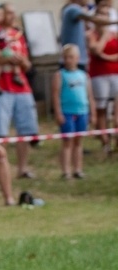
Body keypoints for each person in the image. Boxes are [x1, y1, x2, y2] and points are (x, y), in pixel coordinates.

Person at [0, 2, 39, 180]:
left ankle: (22, 168)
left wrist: (20, 61)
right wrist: (5, 57)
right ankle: (0, 170)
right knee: (0, 132)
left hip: (21, 88)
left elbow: (28, 65)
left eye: (14, 13)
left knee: (25, 130)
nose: (12, 16)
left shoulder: (18, 34)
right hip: (1, 88)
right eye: (8, 13)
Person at [52, 44, 95, 180]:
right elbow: (55, 94)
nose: (68, 60)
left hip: (82, 111)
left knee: (78, 141)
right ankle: (66, 171)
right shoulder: (60, 75)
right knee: (67, 141)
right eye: (65, 57)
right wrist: (58, 112)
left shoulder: (84, 76)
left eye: (71, 57)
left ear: (77, 58)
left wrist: (92, 113)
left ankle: (78, 169)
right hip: (67, 112)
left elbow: (90, 96)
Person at [87, 1, 118, 152]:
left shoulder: (115, 35)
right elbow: (95, 50)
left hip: (115, 73)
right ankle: (105, 142)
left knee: (116, 110)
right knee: (102, 109)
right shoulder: (91, 35)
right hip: (99, 75)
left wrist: (106, 57)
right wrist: (104, 36)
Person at [61, 0, 112, 69]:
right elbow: (94, 19)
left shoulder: (74, 10)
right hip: (73, 60)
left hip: (78, 59)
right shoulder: (73, 8)